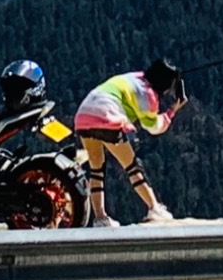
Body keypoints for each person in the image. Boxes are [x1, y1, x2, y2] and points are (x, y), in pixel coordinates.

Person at [73, 59, 184, 226]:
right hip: (107, 118)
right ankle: (154, 208)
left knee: (97, 169)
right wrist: (172, 111)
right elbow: (153, 127)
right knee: (132, 166)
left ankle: (100, 218)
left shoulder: (134, 77)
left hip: (83, 117)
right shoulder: (149, 96)